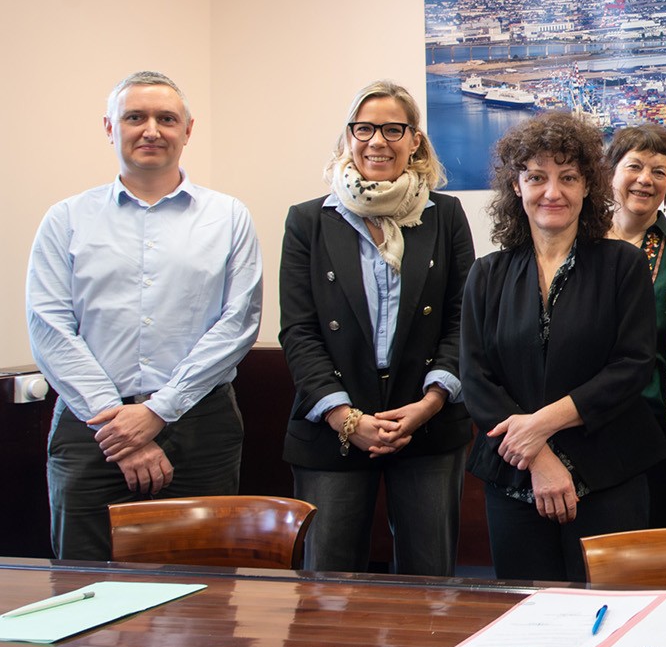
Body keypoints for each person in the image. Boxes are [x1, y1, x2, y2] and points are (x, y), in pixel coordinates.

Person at [28, 70, 263, 561]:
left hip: (201, 422)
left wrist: (158, 411)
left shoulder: (228, 216)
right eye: (135, 117)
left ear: (188, 130)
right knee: (84, 591)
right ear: (111, 128)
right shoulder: (66, 219)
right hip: (91, 428)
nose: (151, 129)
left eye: (166, 118)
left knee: (203, 597)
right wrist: (121, 428)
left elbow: (237, 323)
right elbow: (50, 329)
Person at [462, 111, 666, 581]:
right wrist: (538, 454)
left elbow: (632, 366)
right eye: (537, 177)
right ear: (517, 186)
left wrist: (539, 426)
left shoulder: (624, 265)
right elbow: (476, 380)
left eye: (568, 178)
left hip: (609, 472)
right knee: (527, 618)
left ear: (587, 187)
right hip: (514, 477)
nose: (552, 192)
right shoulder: (486, 274)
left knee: (608, 617)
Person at [279, 80, 475, 575]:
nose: (377, 141)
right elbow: (299, 331)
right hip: (333, 422)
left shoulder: (446, 215)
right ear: (348, 137)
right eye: (363, 129)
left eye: (393, 129)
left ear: (415, 141)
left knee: (429, 585)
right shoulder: (309, 221)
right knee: (329, 585)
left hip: (425, 420)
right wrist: (347, 419)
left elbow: (462, 319)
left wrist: (429, 404)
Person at [605, 122, 666, 529]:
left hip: (661, 439)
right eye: (634, 167)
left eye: (659, 172)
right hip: (584, 435)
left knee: (656, 561)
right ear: (610, 173)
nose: (645, 180)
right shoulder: (576, 246)